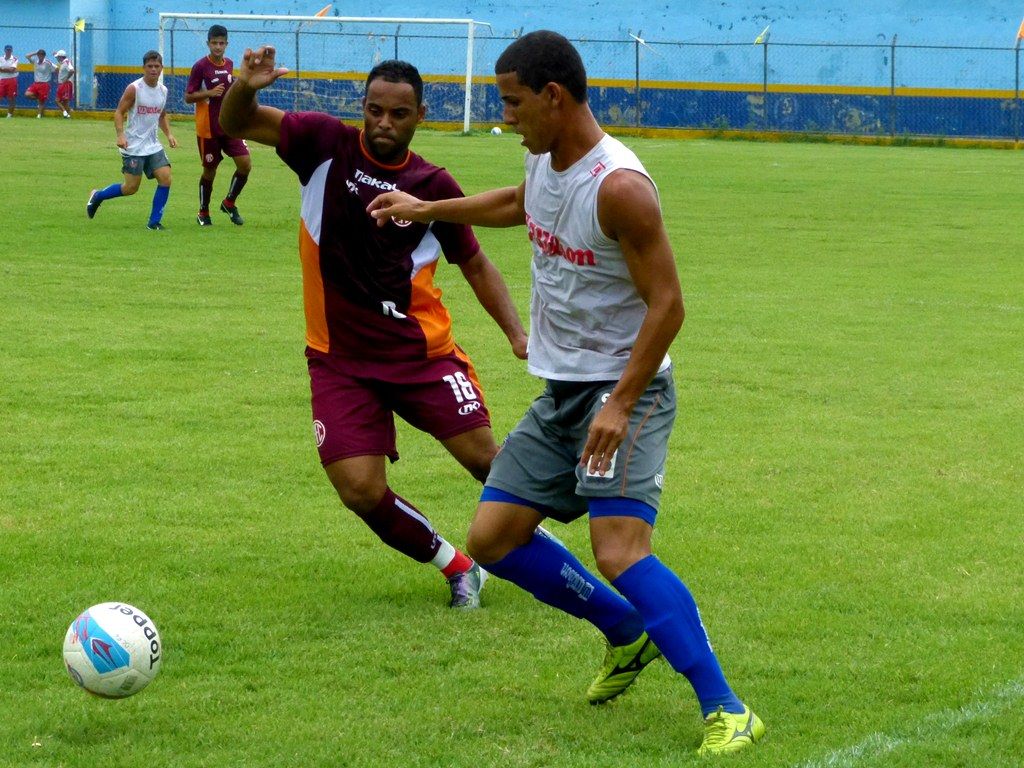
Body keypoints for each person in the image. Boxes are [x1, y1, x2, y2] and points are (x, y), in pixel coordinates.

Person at [368, 30, 765, 755]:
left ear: (555, 96)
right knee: (493, 539)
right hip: (562, 393)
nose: (506, 115)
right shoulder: (545, 159)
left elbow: (669, 305)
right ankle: (624, 632)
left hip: (626, 391)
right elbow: (521, 205)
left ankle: (727, 706)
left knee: (618, 548)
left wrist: (618, 404)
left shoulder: (620, 188)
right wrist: (427, 210)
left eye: (514, 102)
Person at [219, 51, 529, 609]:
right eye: (375, 110)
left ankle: (550, 563)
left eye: (399, 114)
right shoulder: (321, 144)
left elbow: (476, 264)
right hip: (339, 360)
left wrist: (516, 334)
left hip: (421, 357)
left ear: (420, 115)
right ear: (361, 107)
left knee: (492, 465)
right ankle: (457, 566)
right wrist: (244, 84)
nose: (385, 123)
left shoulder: (431, 185)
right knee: (359, 489)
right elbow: (236, 122)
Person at [86, 50, 177, 231]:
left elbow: (162, 115)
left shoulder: (163, 90)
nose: (153, 69)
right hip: (133, 146)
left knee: (166, 179)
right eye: (149, 66)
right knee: (130, 188)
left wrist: (169, 134)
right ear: (143, 68)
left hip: (153, 145)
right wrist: (120, 135)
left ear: (161, 68)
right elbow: (119, 112)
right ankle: (98, 196)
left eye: (156, 66)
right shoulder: (134, 88)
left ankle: (154, 223)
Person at [185, 24, 250, 226]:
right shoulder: (200, 67)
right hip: (208, 129)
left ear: (227, 44)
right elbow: (188, 97)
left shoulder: (229, 64)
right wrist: (209, 94)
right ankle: (203, 212)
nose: (218, 47)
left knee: (245, 164)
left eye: (221, 43)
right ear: (208, 43)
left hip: (229, 126)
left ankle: (229, 202)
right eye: (214, 43)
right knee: (209, 171)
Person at [24, 49, 56, 118]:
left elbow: (56, 69)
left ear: (44, 55)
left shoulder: (48, 62)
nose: (40, 56)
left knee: (41, 101)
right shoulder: (35, 61)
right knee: (27, 94)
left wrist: (54, 78)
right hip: (36, 83)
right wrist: (35, 52)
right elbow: (27, 56)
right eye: (39, 54)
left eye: (42, 55)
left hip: (45, 83)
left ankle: (39, 115)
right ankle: (39, 99)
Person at [54, 50, 74, 118]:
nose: (57, 58)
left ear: (61, 57)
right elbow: (59, 61)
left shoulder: (67, 62)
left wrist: (66, 78)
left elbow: (72, 70)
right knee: (65, 102)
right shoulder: (62, 62)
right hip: (62, 84)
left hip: (65, 84)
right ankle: (68, 115)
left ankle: (65, 112)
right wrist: (55, 55)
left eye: (58, 57)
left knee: (57, 100)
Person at [0, 45, 18, 118]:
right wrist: (8, 69)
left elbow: (12, 70)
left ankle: (9, 115)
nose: (8, 51)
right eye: (7, 50)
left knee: (11, 98)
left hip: (12, 80)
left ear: (12, 51)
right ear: (4, 50)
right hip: (2, 79)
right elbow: (10, 70)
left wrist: (2, 69)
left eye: (10, 50)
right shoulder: (0, 58)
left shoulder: (15, 59)